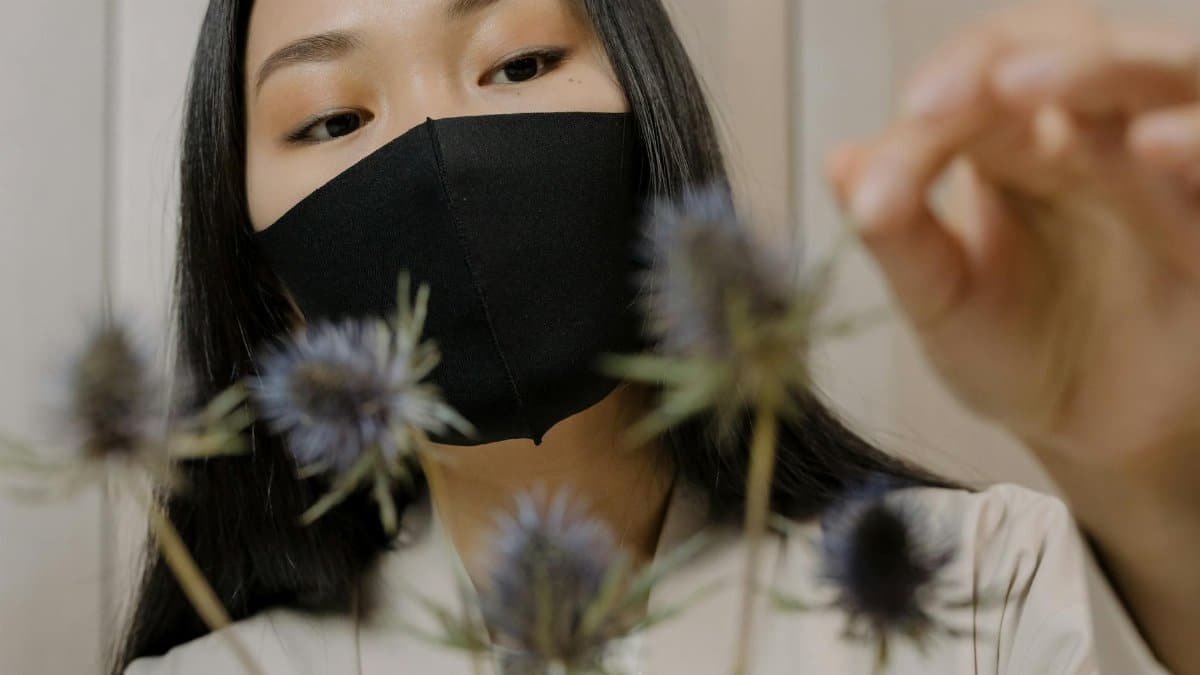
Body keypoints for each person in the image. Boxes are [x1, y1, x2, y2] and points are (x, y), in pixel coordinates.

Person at [116, 1, 1200, 673]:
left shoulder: (986, 596)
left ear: (652, 118)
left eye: (521, 63)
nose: (434, 151)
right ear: (266, 282)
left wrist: (1152, 468)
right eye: (331, 121)